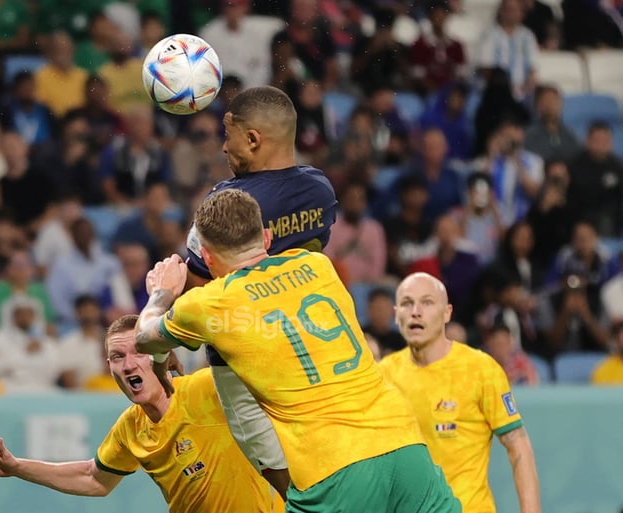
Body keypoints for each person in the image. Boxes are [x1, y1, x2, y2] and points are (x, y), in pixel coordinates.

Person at [136, 189, 459, 513]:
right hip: (404, 442)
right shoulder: (317, 264)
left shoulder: (208, 304)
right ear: (265, 237)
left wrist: (161, 293)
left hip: (333, 467)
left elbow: (145, 338)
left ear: (206, 257)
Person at [0, 315, 278, 513]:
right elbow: (94, 478)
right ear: (110, 368)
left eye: (138, 351)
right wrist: (17, 467)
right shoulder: (131, 429)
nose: (128, 364)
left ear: (158, 354)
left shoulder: (208, 389)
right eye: (117, 356)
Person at [181, 85, 337, 497]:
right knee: (322, 469)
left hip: (243, 360)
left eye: (227, 134)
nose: (222, 146)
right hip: (304, 352)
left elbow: (197, 285)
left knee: (289, 486)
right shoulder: (320, 190)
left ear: (252, 139)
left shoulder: (226, 202)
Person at [380, 272, 541, 513]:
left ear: (447, 313)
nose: (415, 311)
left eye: (427, 302)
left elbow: (518, 445)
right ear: (396, 314)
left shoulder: (480, 369)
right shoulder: (382, 376)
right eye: (406, 303)